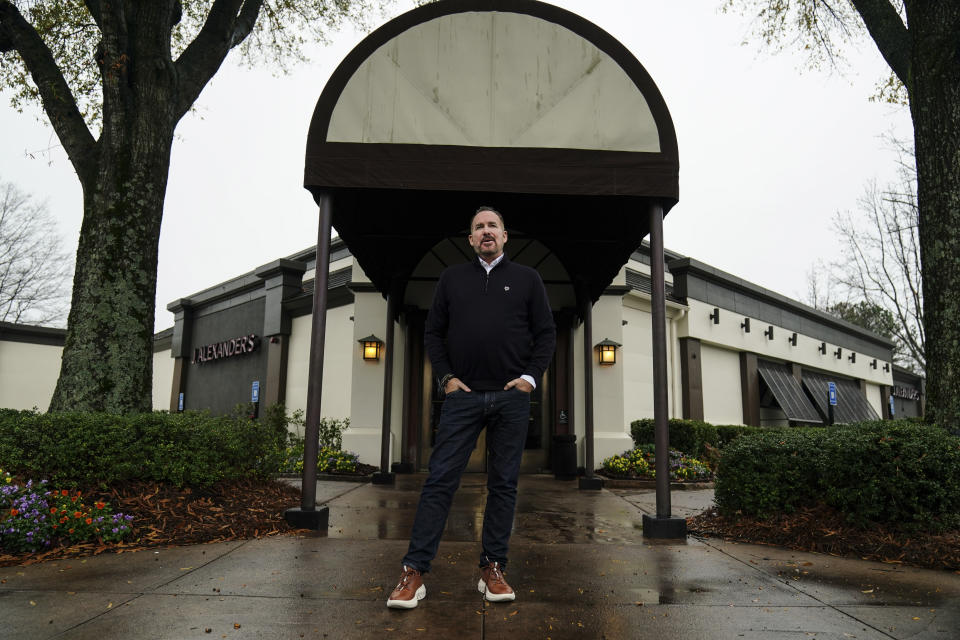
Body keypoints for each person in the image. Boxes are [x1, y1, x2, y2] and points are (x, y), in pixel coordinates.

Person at [387, 206, 556, 609]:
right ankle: (414, 572)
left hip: (510, 398)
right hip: (463, 398)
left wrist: (529, 380)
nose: (486, 232)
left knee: (503, 484)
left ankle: (493, 568)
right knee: (440, 480)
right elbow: (433, 333)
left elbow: (546, 333)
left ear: (504, 235)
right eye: (479, 227)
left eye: (492, 226)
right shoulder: (451, 279)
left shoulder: (528, 280)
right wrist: (446, 378)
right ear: (470, 239)